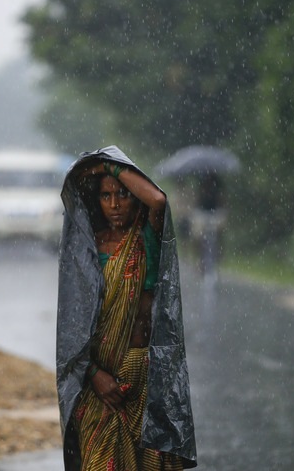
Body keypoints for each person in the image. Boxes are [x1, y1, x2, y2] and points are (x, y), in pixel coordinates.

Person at [57, 146, 197, 470]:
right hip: (99, 385)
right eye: (106, 196)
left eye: (123, 194)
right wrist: (93, 375)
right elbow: (73, 328)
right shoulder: (87, 251)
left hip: (144, 381)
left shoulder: (146, 238)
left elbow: (159, 200)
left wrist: (110, 166)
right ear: (97, 201)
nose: (115, 204)